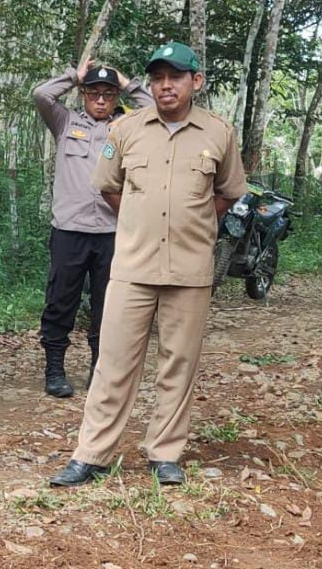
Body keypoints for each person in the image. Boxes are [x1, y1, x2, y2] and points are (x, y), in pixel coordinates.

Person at [50, 41, 247, 487]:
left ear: (195, 82)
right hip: (132, 267)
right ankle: (92, 454)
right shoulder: (127, 129)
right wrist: (141, 222)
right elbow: (108, 187)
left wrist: (190, 222)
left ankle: (165, 453)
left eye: (174, 77)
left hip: (190, 267)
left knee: (178, 361)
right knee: (113, 361)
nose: (164, 86)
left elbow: (228, 192)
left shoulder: (218, 133)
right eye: (157, 78)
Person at [32, 59, 153, 397]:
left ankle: (99, 368)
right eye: (94, 93)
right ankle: (54, 368)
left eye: (108, 94)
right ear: (83, 95)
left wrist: (129, 83)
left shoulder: (128, 125)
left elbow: (155, 109)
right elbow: (41, 95)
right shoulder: (65, 121)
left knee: (109, 305)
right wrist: (75, 75)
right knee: (60, 300)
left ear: (116, 98)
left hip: (114, 231)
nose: (101, 101)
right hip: (69, 230)